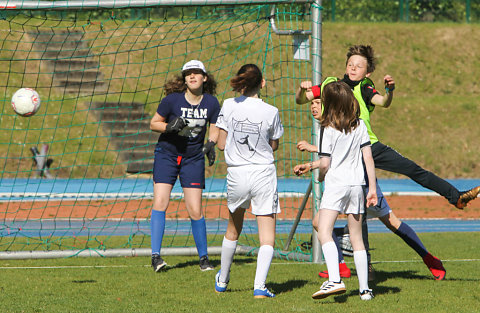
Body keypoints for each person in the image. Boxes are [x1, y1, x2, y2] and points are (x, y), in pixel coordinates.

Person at [296, 44, 480, 280]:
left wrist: (390, 91)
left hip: (369, 146)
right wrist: (301, 90)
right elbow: (304, 98)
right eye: (350, 64)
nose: (353, 68)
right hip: (350, 156)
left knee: (412, 171)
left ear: (368, 72)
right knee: (356, 213)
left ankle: (456, 197)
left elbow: (383, 102)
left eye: (359, 66)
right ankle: (364, 270)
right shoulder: (331, 84)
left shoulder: (365, 87)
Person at [294, 81, 377, 301]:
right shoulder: (359, 125)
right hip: (357, 185)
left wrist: (321, 177)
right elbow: (368, 158)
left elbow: (324, 163)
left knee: (323, 230)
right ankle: (365, 290)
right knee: (357, 238)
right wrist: (373, 189)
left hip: (337, 185)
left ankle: (334, 279)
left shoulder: (327, 127)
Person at [214, 64, 284, 298]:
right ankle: (259, 287)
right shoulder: (271, 110)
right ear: (262, 83)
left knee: (233, 228)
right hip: (263, 173)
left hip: (237, 173)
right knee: (267, 236)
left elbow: (222, 143)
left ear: (241, 83)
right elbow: (273, 144)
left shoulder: (228, 105)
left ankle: (222, 280)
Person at [149, 60, 220, 272]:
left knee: (195, 209)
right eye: (188, 73)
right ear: (184, 78)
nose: (192, 76)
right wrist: (169, 127)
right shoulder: (172, 100)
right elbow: (154, 123)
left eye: (196, 73)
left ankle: (204, 259)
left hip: (193, 159)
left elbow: (214, 128)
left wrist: (211, 143)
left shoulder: (212, 103)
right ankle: (155, 257)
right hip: (167, 155)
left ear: (204, 78)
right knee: (160, 201)